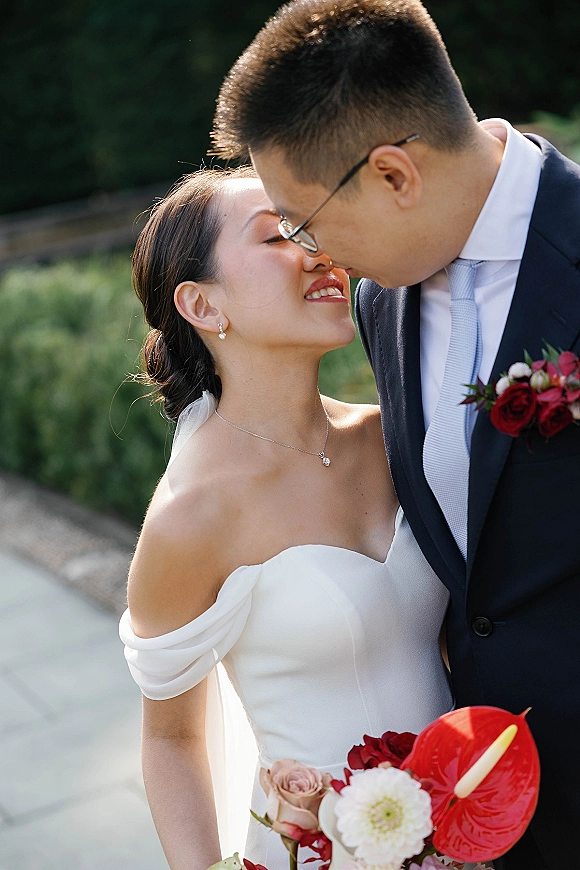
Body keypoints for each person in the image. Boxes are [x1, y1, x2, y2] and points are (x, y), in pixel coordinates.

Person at [209, 2, 580, 869]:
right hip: (483, 806)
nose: (314, 254)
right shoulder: (384, 297)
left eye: (304, 219)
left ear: (393, 175)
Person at [119, 167, 453, 870]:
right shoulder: (192, 515)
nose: (317, 250)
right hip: (318, 850)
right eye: (278, 235)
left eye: (312, 225)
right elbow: (171, 740)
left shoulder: (394, 434)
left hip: (472, 827)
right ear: (203, 306)